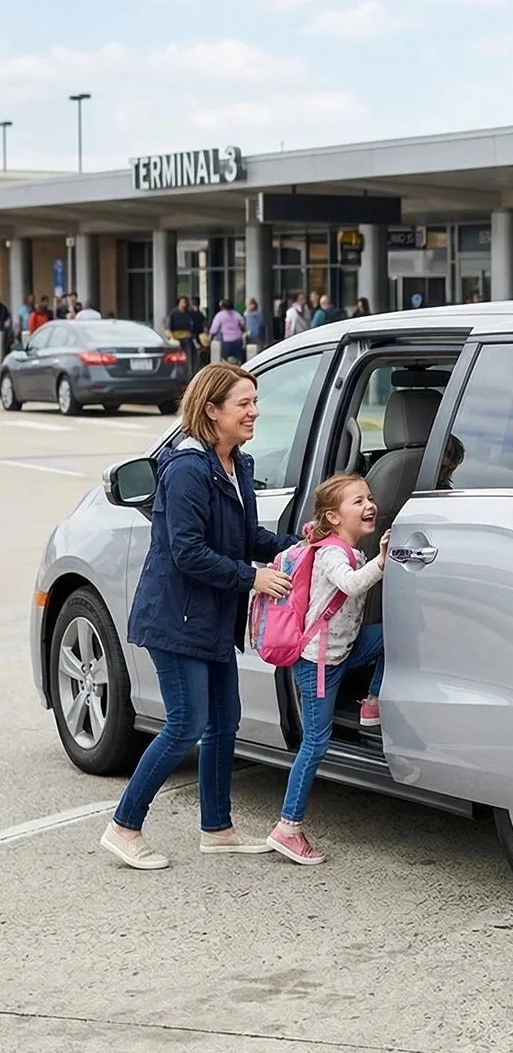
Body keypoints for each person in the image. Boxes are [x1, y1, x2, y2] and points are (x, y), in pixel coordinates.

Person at [100, 363, 302, 870]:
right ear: (212, 410)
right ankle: (124, 827)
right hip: (176, 617)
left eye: (255, 402)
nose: (254, 412)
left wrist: (299, 549)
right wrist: (251, 578)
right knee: (186, 724)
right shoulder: (188, 468)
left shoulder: (238, 464)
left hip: (211, 617)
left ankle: (218, 828)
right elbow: (186, 551)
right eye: (244, 404)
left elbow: (244, 537)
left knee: (224, 722)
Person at [266, 473, 391, 866]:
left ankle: (371, 702)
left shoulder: (348, 550)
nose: (369, 505)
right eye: (357, 501)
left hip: (343, 651)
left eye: (369, 498)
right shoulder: (332, 553)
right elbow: (352, 585)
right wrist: (382, 562)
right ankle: (287, 827)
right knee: (315, 743)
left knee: (393, 635)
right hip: (317, 663)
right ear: (334, 518)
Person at [210, 299, 247, 364]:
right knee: (239, 359)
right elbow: (242, 325)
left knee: (224, 360)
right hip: (237, 340)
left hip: (226, 341)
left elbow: (214, 328)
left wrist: (211, 336)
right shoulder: (236, 314)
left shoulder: (220, 315)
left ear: (222, 306)